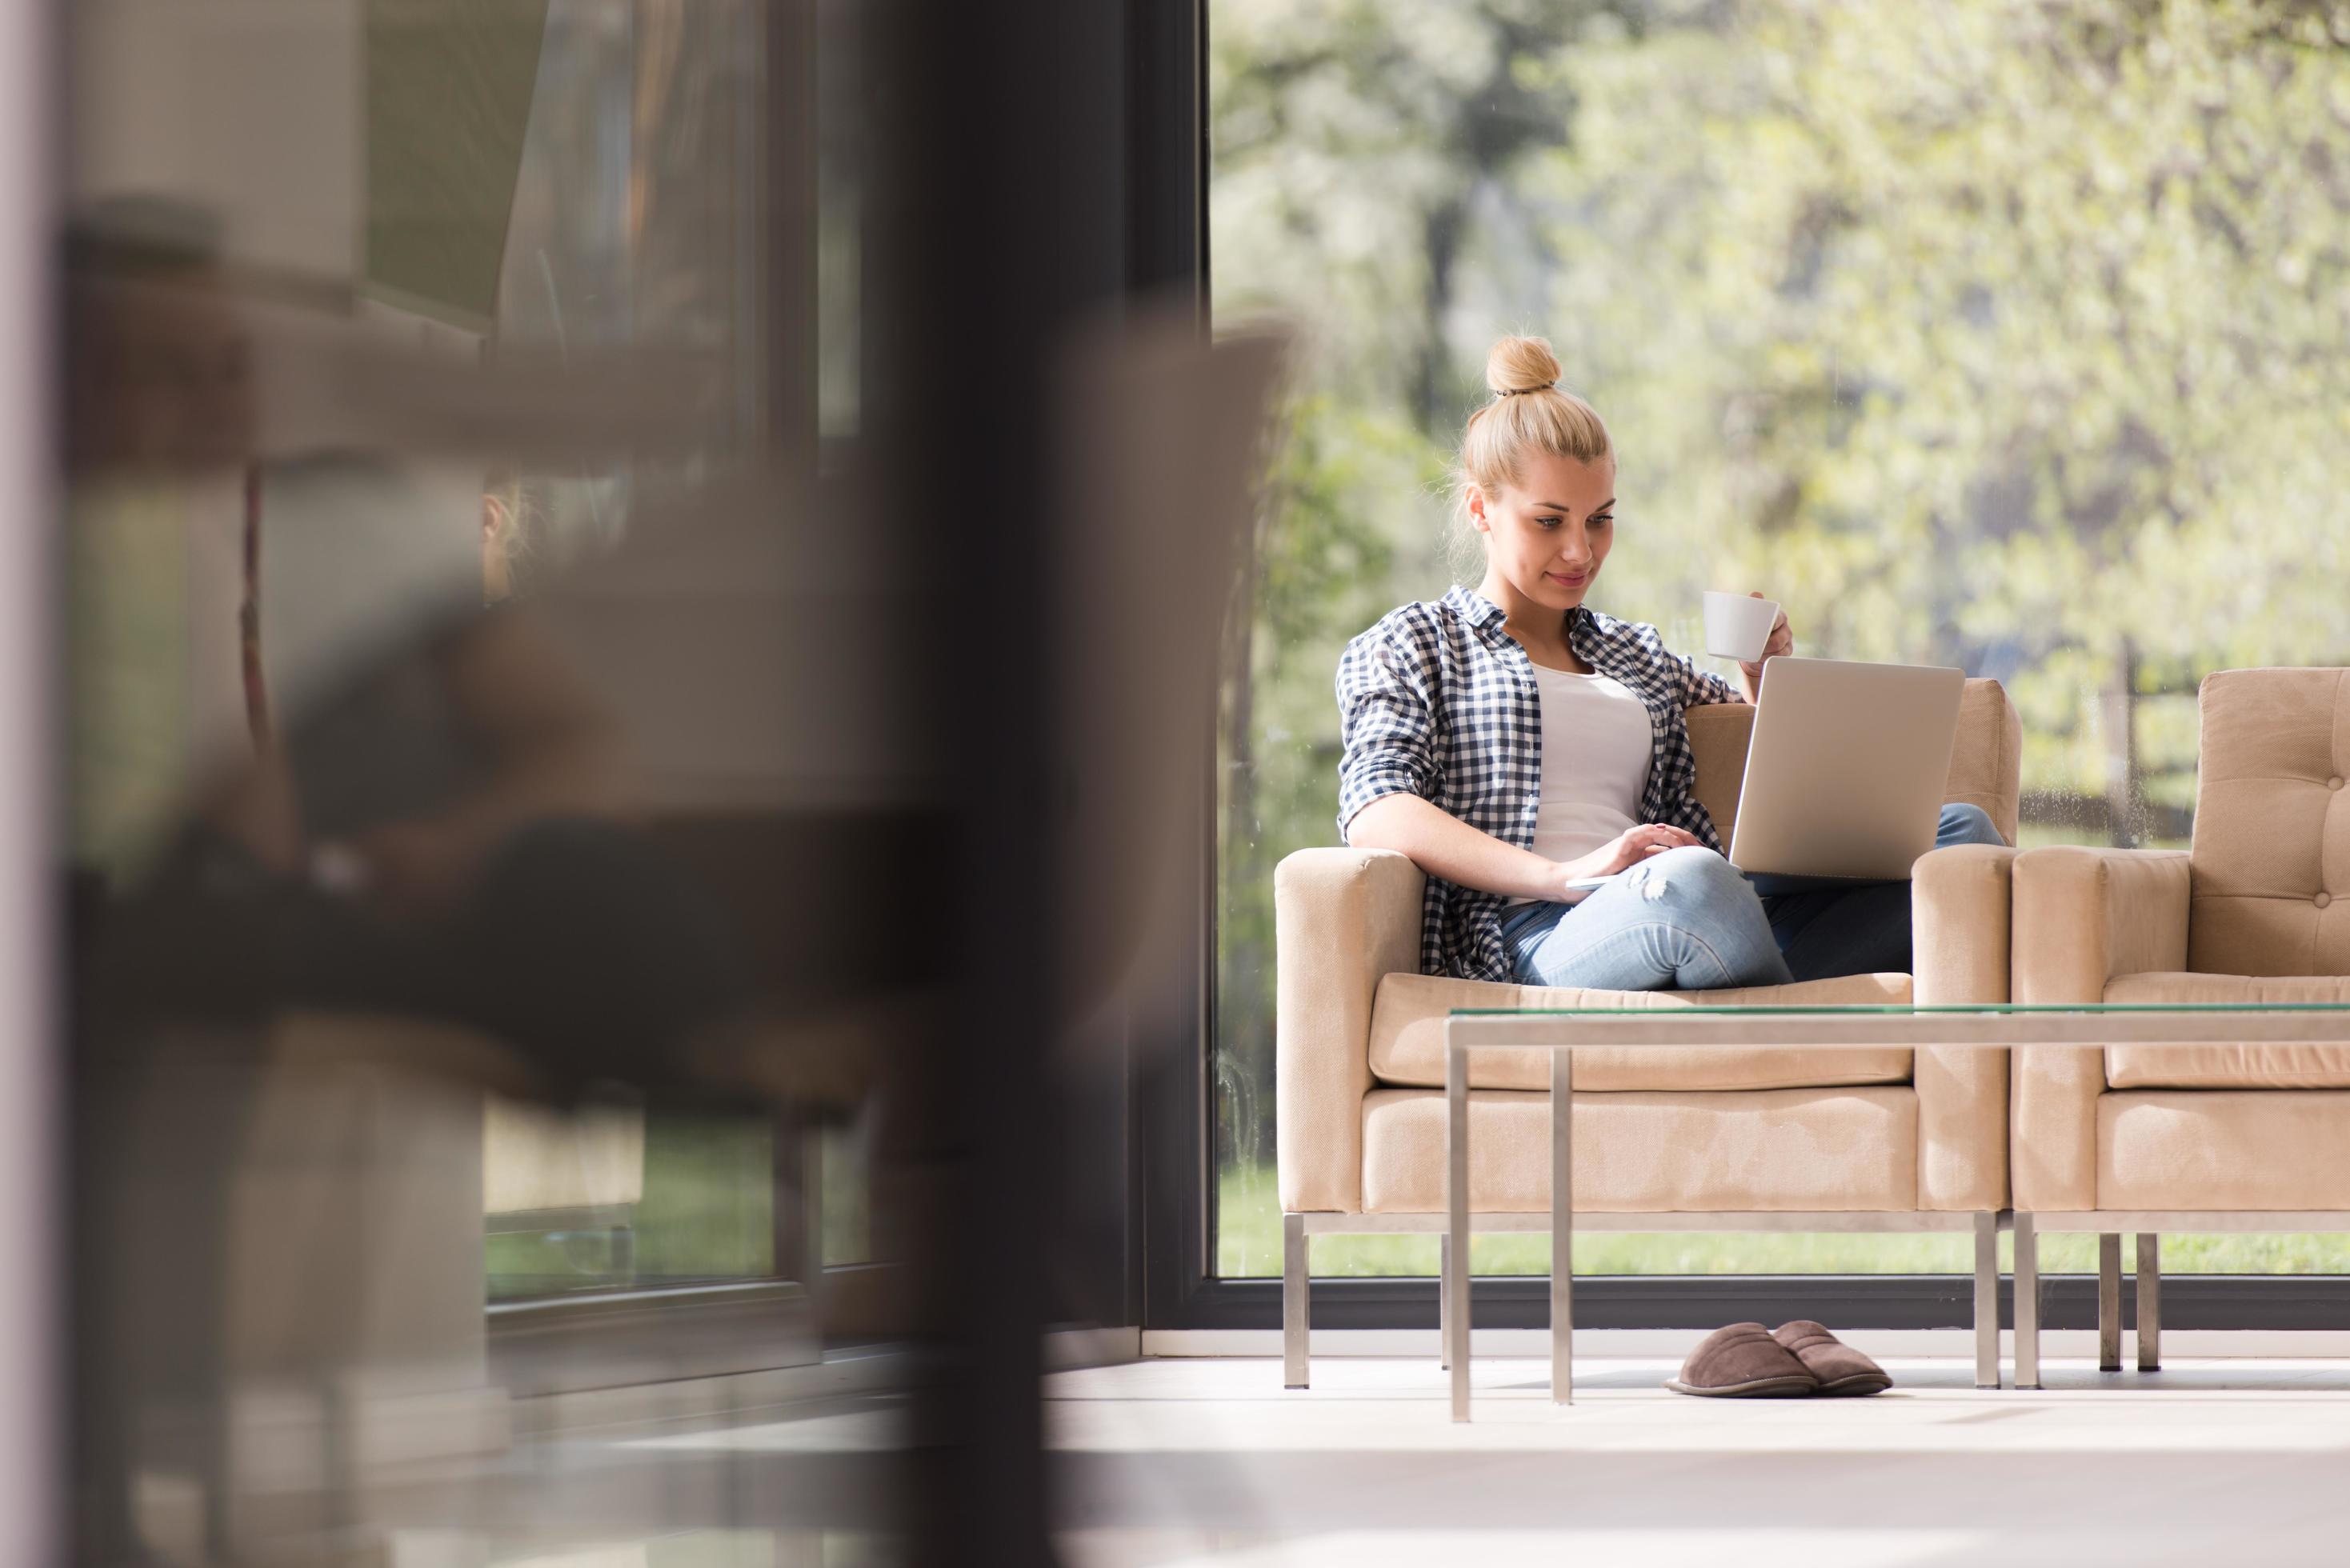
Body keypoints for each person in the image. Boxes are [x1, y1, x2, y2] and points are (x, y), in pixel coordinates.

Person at [1335, 334, 2004, 993]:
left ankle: (1766, 993)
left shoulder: (1635, 654)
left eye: (1599, 520)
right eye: (1549, 522)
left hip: (1701, 902)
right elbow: (1376, 806)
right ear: (1481, 509)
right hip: (1541, 929)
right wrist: (1563, 874)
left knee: (1961, 840)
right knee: (1693, 881)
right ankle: (1797, 1026)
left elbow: (1758, 752)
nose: (1579, 551)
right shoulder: (1414, 643)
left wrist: (1759, 677)